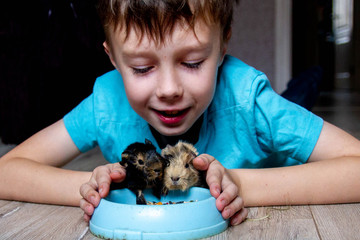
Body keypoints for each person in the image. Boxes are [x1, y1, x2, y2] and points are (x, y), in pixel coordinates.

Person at [1, 0, 360, 227]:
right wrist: (108, 189)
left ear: (222, 47)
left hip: (261, 114)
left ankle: (308, 81)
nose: (169, 89)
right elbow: (7, 172)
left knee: (295, 98)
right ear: (113, 58)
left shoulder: (248, 99)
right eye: (142, 68)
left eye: (192, 62)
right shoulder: (106, 99)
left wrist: (238, 184)